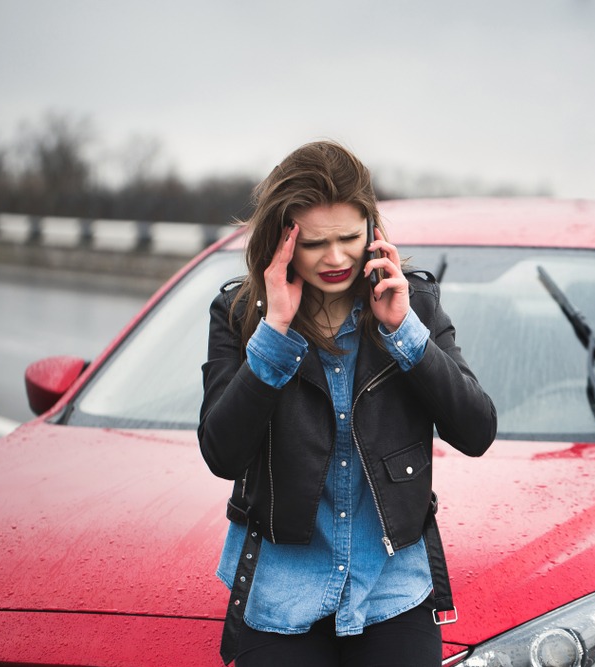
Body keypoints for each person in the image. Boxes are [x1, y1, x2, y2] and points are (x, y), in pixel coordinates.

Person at [198, 140, 497, 666]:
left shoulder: (415, 303)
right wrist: (275, 333)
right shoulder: (239, 314)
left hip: (391, 590)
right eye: (315, 244)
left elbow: (476, 431)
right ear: (280, 241)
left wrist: (404, 332)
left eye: (349, 238)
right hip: (281, 594)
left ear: (373, 233)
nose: (335, 259)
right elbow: (222, 453)